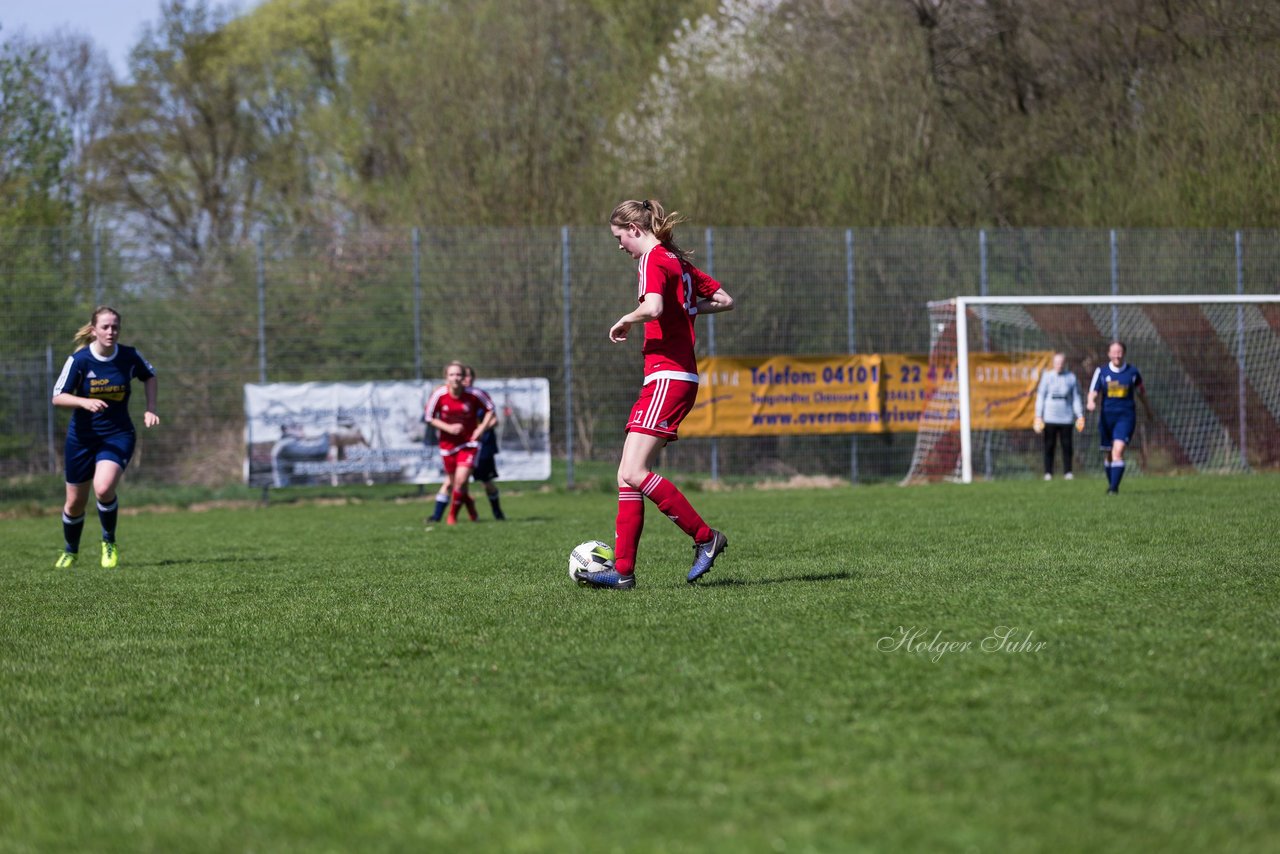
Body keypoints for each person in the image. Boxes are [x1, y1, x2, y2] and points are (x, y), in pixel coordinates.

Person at [573, 199, 735, 590]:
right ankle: (623, 573)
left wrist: (629, 317)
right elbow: (724, 300)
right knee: (626, 477)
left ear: (633, 228)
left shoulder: (652, 259)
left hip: (669, 375)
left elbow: (655, 306)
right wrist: (684, 310)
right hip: (670, 376)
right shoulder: (676, 261)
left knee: (632, 472)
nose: (619, 247)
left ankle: (705, 537)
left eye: (619, 238)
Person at [50, 306, 159, 568]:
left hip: (118, 434)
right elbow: (57, 397)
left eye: (115, 327)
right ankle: (70, 550)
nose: (111, 332)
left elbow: (150, 376)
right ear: (94, 330)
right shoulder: (80, 360)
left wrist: (150, 408)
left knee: (103, 488)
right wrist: (84, 403)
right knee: (75, 503)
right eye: (106, 327)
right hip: (82, 438)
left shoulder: (129, 356)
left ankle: (108, 542)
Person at [423, 360, 492, 525]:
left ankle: (451, 517)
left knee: (460, 480)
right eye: (452, 374)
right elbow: (428, 417)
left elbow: (491, 409)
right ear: (446, 377)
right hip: (447, 446)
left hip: (469, 444)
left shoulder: (474, 394)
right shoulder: (439, 395)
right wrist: (448, 427)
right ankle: (469, 504)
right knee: (456, 484)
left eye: (459, 374)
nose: (455, 378)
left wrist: (480, 429)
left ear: (463, 377)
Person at [1086, 340, 1153, 494]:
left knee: (1118, 451)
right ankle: (1112, 486)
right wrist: (1091, 402)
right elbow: (1093, 391)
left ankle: (1113, 488)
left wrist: (1148, 410)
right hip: (1106, 418)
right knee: (1109, 455)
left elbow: (1141, 393)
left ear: (1124, 353)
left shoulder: (1133, 372)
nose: (1117, 355)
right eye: (1114, 352)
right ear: (1109, 354)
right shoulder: (1102, 372)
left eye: (1119, 352)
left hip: (1126, 417)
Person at [1033, 352, 1084, 480]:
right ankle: (1048, 473)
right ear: (1053, 363)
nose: (1059, 365)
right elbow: (1040, 397)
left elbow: (1076, 398)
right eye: (1057, 363)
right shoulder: (1047, 377)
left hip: (1066, 417)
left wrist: (1080, 414)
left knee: (1067, 445)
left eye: (1061, 363)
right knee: (1049, 445)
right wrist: (1038, 415)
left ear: (1065, 363)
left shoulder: (1071, 377)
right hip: (1050, 417)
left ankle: (1068, 472)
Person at [463, 365, 505, 520]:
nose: (466, 379)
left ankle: (497, 511)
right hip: (463, 446)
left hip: (484, 445)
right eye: (463, 376)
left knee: (486, 482)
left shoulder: (480, 396)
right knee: (459, 482)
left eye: (469, 376)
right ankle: (470, 511)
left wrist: (479, 429)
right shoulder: (456, 397)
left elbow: (494, 420)